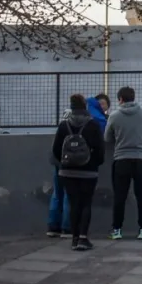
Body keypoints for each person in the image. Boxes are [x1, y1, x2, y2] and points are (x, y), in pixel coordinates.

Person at [51, 94, 105, 251]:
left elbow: (56, 149)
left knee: (73, 203)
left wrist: (65, 163)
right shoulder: (93, 125)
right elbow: (100, 150)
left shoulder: (63, 125)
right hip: (88, 172)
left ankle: (74, 239)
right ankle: (83, 237)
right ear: (85, 107)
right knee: (86, 203)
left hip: (67, 172)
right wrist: (93, 163)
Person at [105, 86, 142, 241]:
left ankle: (117, 230)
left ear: (120, 99)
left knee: (120, 197)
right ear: (133, 98)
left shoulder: (114, 116)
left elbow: (107, 138)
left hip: (121, 160)